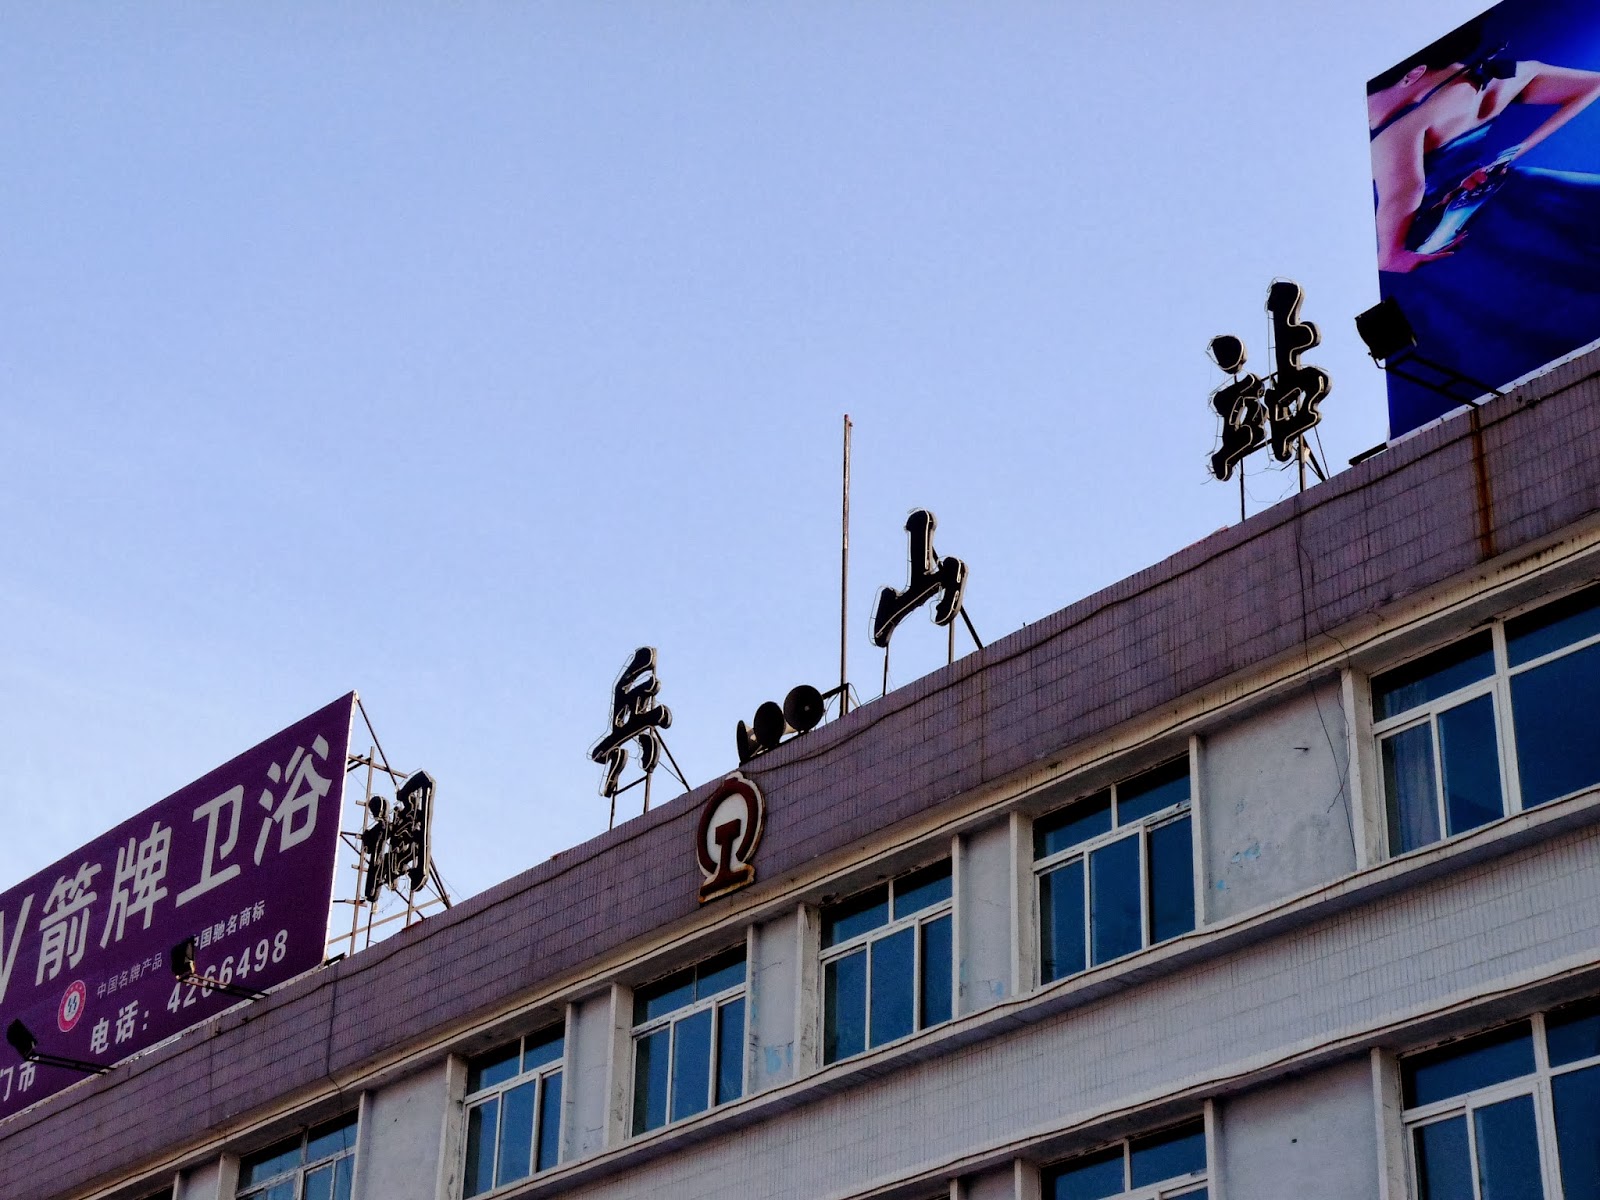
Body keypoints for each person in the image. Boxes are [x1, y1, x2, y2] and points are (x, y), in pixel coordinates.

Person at [1367, 16, 1600, 433]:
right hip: (1523, 197)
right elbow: (1591, 84)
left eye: (1374, 99)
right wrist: (1515, 153)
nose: (1369, 116)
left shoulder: (1399, 132)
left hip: (1465, 243)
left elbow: (1397, 231)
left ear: (1414, 74)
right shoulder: (1502, 75)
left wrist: (1396, 257)